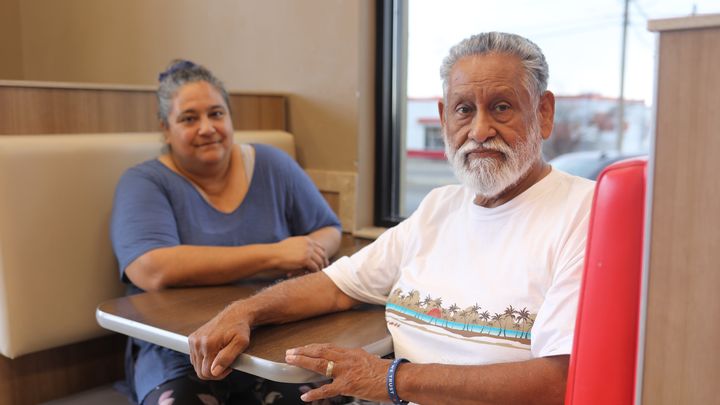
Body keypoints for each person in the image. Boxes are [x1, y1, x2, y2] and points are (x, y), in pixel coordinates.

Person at [188, 32, 595, 405]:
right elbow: (336, 286)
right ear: (443, 117)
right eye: (464, 110)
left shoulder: (586, 213)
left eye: (501, 107)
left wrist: (390, 380)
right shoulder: (440, 207)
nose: (479, 130)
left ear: (543, 112)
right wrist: (244, 312)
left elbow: (561, 381)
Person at [110, 60, 342, 405]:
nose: (207, 128)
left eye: (216, 114)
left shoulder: (273, 164)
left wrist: (309, 252)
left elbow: (329, 229)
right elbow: (150, 268)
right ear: (165, 128)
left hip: (273, 345)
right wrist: (277, 253)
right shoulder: (144, 182)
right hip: (179, 354)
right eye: (189, 118)